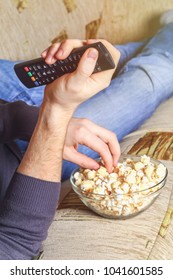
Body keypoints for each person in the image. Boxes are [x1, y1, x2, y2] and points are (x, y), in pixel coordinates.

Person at [1, 11, 173, 182]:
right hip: (23, 156)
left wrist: (31, 120)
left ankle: (165, 35)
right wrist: (52, 122)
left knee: (107, 58)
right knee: (146, 78)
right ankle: (166, 35)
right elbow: (27, 209)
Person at [0, 40, 120, 259]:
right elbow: (14, 246)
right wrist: (54, 115)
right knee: (152, 77)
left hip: (19, 123)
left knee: (116, 53)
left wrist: (27, 120)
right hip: (36, 177)